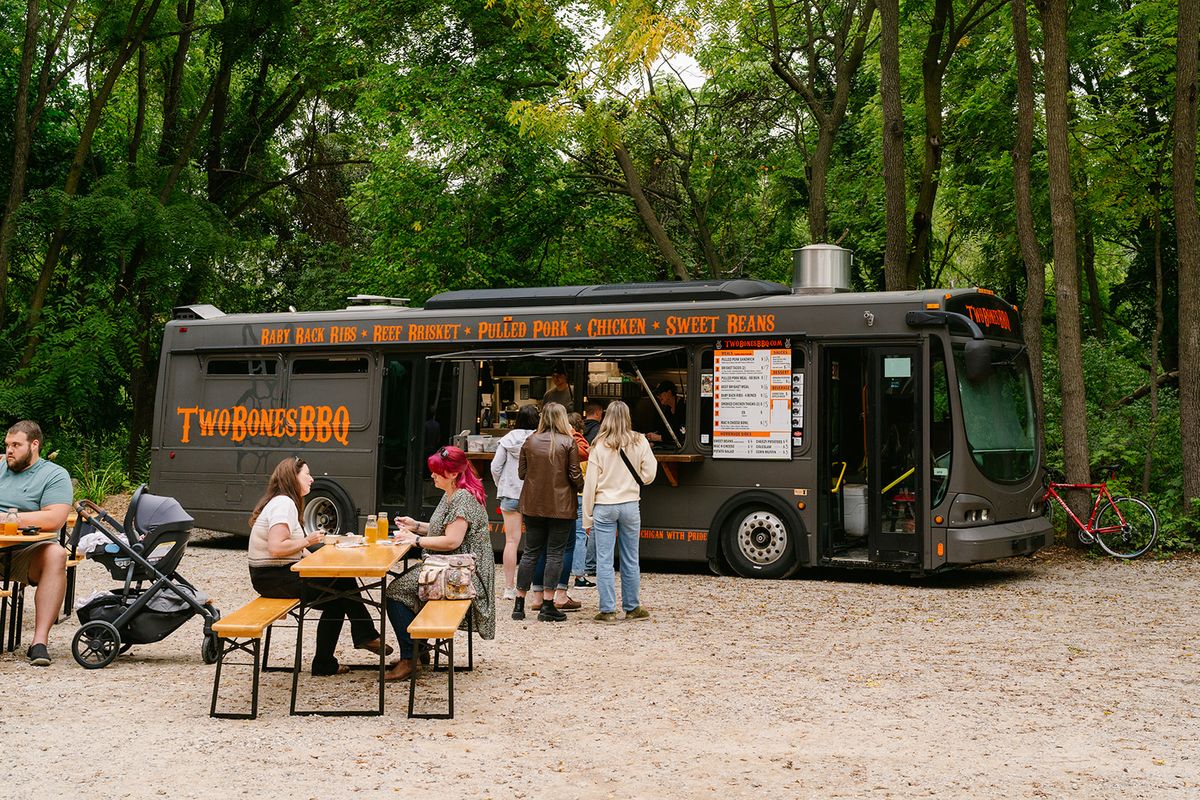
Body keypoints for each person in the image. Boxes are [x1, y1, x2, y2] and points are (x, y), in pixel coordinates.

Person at [248, 456, 390, 676]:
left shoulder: (282, 501)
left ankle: (325, 663)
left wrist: (318, 556)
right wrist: (309, 541)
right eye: (307, 474)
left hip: (273, 575)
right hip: (273, 578)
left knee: (336, 598)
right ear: (293, 477)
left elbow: (295, 550)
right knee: (342, 586)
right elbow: (277, 547)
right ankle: (366, 635)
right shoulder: (284, 503)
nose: (312, 479)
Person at [386, 446, 496, 681]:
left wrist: (415, 540)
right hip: (452, 565)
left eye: (437, 472)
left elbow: (451, 540)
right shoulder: (454, 494)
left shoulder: (462, 498)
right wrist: (416, 525)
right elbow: (445, 531)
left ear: (453, 474)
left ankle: (410, 657)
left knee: (395, 592)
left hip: (463, 573)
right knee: (406, 586)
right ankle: (418, 649)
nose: (433, 476)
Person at [0, 421, 71, 666]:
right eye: (7, 445)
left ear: (34, 445)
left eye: (16, 445)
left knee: (56, 554)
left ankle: (39, 642)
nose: (10, 450)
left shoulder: (53, 475)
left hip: (24, 552)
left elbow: (55, 518)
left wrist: (9, 518)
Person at [583, 401, 656, 623]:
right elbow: (650, 473)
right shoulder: (640, 440)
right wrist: (637, 481)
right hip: (630, 504)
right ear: (627, 416)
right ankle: (632, 607)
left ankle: (607, 610)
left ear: (606, 417)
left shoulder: (599, 445)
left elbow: (590, 484)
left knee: (604, 560)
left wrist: (587, 518)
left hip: (604, 506)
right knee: (631, 558)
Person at [512, 402, 583, 622]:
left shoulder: (530, 441)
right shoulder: (568, 442)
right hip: (561, 507)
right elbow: (574, 475)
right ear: (562, 418)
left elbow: (522, 473)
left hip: (533, 505)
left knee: (530, 552)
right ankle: (548, 605)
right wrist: (582, 486)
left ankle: (519, 603)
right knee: (555, 554)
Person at [490, 404, 539, 600]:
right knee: (535, 544)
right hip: (534, 496)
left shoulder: (507, 439)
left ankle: (509, 588)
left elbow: (495, 467)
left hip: (510, 494)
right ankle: (536, 588)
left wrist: (502, 484)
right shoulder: (538, 439)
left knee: (511, 541)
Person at [633, 381, 686, 446]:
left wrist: (659, 438)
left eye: (660, 394)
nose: (658, 397)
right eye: (657, 395)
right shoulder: (667, 410)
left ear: (669, 393)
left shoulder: (683, 407)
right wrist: (653, 442)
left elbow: (681, 434)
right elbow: (663, 430)